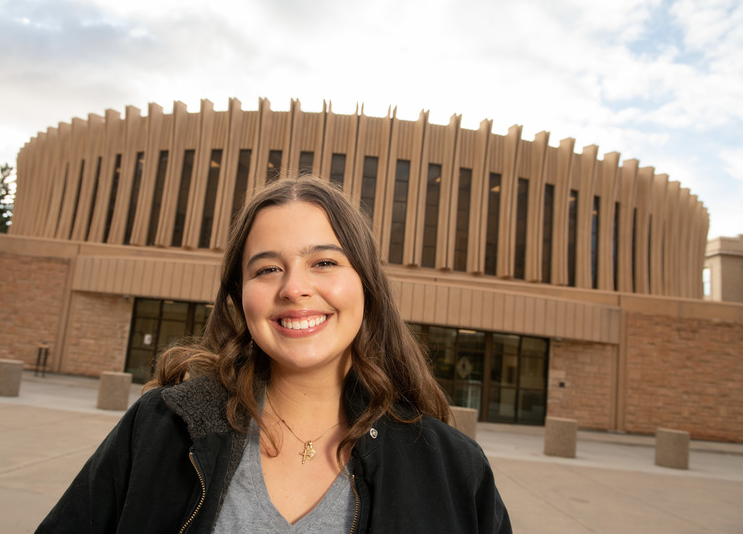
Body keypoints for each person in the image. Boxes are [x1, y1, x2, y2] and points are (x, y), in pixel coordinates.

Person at [37, 175, 511, 533]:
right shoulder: (160, 429)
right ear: (240, 296)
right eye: (267, 269)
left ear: (366, 282)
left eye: (324, 262)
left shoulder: (452, 467)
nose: (294, 288)